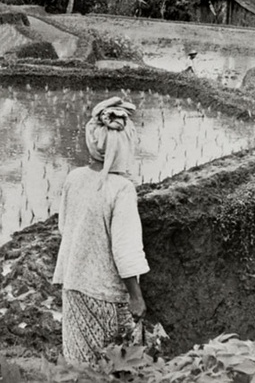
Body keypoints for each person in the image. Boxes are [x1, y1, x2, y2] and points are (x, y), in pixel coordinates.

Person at [52, 96, 149, 365]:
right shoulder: (121, 189)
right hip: (106, 297)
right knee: (114, 367)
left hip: (74, 287)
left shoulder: (75, 178)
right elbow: (125, 250)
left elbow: (65, 228)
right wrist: (136, 297)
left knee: (79, 364)